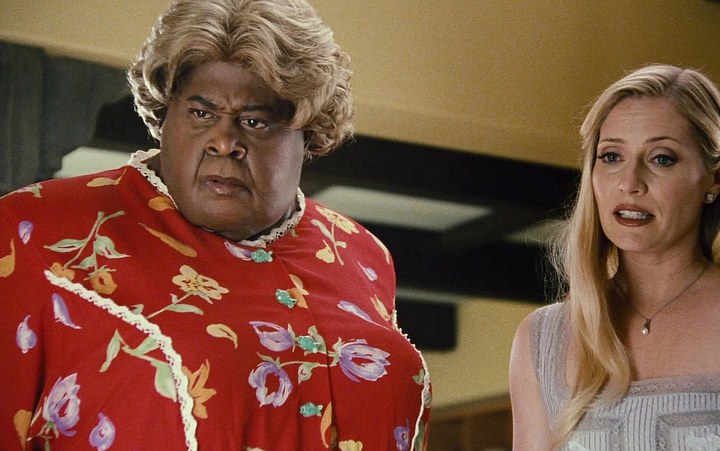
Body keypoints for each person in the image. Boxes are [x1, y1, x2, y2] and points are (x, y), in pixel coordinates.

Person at [0, 0, 430, 449]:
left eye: (255, 121)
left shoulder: (362, 253)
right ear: (164, 115)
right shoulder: (33, 229)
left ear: (310, 135)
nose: (224, 142)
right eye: (201, 113)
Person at [509, 64, 720, 450]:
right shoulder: (541, 339)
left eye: (662, 159)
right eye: (611, 156)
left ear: (717, 177)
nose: (629, 183)